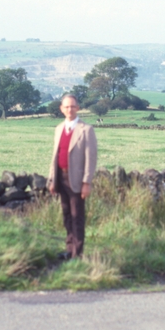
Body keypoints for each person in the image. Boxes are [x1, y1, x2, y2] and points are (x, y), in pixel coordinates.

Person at [48, 94, 97, 260]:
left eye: (73, 106)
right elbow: (55, 155)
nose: (70, 109)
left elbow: (91, 159)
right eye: (66, 107)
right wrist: (52, 180)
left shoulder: (86, 130)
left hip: (76, 180)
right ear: (61, 109)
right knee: (67, 215)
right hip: (60, 178)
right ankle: (69, 249)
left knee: (77, 216)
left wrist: (86, 182)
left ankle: (77, 253)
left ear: (78, 108)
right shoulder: (59, 128)